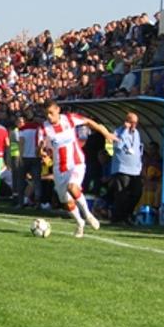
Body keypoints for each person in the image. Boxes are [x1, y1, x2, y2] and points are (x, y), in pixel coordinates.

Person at [39, 100, 115, 238]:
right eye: (46, 114)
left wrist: (106, 134)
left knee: (72, 187)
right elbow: (43, 148)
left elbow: (89, 122)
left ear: (57, 110)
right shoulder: (44, 129)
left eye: (51, 113)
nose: (49, 116)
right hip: (59, 168)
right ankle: (80, 222)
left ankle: (88, 214)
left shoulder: (69, 119)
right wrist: (42, 152)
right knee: (67, 201)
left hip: (76, 162)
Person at [110, 111, 143, 225]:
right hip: (122, 168)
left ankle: (127, 214)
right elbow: (118, 145)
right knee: (121, 194)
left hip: (135, 169)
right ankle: (118, 218)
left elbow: (137, 149)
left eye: (136, 122)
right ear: (126, 121)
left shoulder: (137, 133)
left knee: (137, 192)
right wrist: (125, 130)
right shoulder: (118, 132)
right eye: (132, 122)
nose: (134, 125)